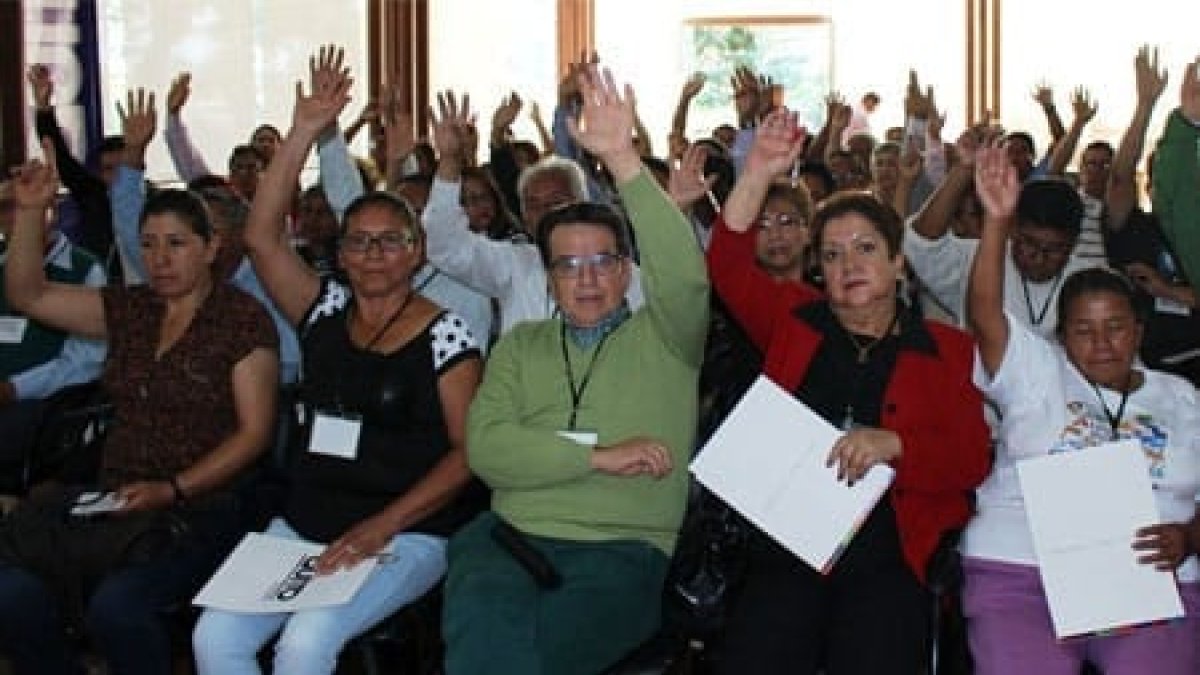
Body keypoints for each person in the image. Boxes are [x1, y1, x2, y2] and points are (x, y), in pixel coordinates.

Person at [191, 48, 482, 675]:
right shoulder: (321, 309)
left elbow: (466, 454)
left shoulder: (446, 334)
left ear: (415, 252)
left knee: (304, 645)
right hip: (308, 522)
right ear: (341, 253)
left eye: (390, 242)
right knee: (214, 639)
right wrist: (304, 131)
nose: (374, 255)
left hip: (406, 529)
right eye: (359, 241)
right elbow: (261, 236)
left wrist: (383, 525)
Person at [441, 65, 710, 674]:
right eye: (567, 266)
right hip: (508, 539)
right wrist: (600, 458)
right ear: (548, 277)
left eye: (601, 262)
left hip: (622, 549)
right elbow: (487, 449)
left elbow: (686, 275)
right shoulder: (520, 345)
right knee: (485, 643)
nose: (586, 278)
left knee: (525, 660)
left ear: (625, 271)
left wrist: (623, 162)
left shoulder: (668, 339)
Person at [706, 108, 990, 674]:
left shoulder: (947, 348)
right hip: (790, 543)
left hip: (891, 552)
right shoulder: (797, 323)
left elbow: (971, 459)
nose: (848, 265)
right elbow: (727, 263)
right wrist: (759, 170)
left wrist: (898, 445)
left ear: (897, 262)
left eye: (864, 249)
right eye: (832, 255)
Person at [0, 143, 279, 675]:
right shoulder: (131, 309)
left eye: (176, 244)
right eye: (149, 245)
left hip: (201, 505)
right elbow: (28, 295)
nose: (160, 259)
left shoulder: (241, 321)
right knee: (10, 593)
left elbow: (254, 434)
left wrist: (172, 489)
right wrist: (32, 213)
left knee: (118, 609)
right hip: (114, 500)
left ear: (211, 246)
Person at [963, 142, 1200, 675]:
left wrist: (1188, 538)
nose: (1100, 343)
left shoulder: (1181, 397)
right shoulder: (1037, 371)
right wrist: (997, 221)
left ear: (1139, 330)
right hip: (1024, 567)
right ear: (1060, 336)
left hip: (1150, 577)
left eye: (1115, 327)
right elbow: (984, 313)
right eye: (1083, 330)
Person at [0, 179, 107, 493]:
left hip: (44, 404)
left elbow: (85, 363)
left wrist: (14, 389)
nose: (13, 218)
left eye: (22, 208)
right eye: (5, 209)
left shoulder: (84, 270)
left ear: (51, 212)